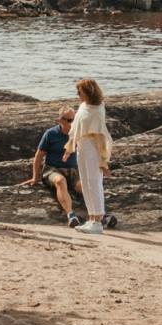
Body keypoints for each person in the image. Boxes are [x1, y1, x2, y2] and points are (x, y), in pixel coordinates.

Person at [67, 78, 117, 234]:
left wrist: (103, 160)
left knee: (94, 182)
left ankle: (98, 220)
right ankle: (91, 217)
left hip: (92, 148)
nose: (78, 95)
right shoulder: (83, 106)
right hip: (82, 145)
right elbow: (76, 126)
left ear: (88, 92)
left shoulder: (97, 109)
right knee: (86, 182)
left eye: (80, 92)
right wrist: (69, 146)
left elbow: (100, 135)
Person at [23, 105, 83, 227]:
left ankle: (100, 215)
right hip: (52, 169)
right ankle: (71, 215)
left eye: (74, 120)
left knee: (82, 187)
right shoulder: (50, 134)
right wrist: (35, 177)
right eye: (69, 120)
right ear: (60, 120)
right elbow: (39, 156)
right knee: (60, 181)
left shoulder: (78, 133)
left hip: (72, 169)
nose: (72, 123)